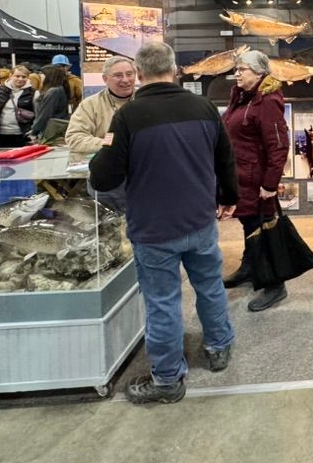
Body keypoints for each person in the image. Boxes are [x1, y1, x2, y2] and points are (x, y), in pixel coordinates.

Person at [89, 42, 238, 404]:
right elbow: (226, 160)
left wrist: (102, 152)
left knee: (161, 302)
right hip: (200, 221)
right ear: (174, 69)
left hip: (154, 228)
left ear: (139, 74)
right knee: (210, 286)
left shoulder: (127, 116)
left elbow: (104, 178)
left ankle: (168, 380)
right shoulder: (204, 107)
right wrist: (229, 198)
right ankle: (219, 346)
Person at [221, 50, 292, 313]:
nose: (237, 73)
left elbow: (278, 146)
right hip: (241, 176)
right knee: (249, 223)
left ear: (260, 72)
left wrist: (270, 184)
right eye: (237, 69)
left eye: (243, 69)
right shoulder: (242, 97)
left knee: (265, 228)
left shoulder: (267, 101)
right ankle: (249, 268)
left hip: (258, 180)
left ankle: (275, 284)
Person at [65, 56, 136, 153]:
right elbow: (74, 137)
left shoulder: (147, 100)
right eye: (118, 75)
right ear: (105, 79)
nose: (125, 80)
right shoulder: (90, 105)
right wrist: (111, 144)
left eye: (129, 74)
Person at [0, 65, 38, 148]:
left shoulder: (33, 93)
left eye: (24, 77)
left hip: (23, 135)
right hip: (1, 134)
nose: (20, 79)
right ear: (11, 76)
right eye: (17, 76)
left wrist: (34, 131)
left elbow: (38, 114)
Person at [29, 65, 73, 141]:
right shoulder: (60, 89)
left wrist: (34, 131)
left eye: (42, 75)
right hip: (56, 130)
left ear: (49, 76)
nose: (40, 77)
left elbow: (45, 114)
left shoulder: (53, 92)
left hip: (50, 132)